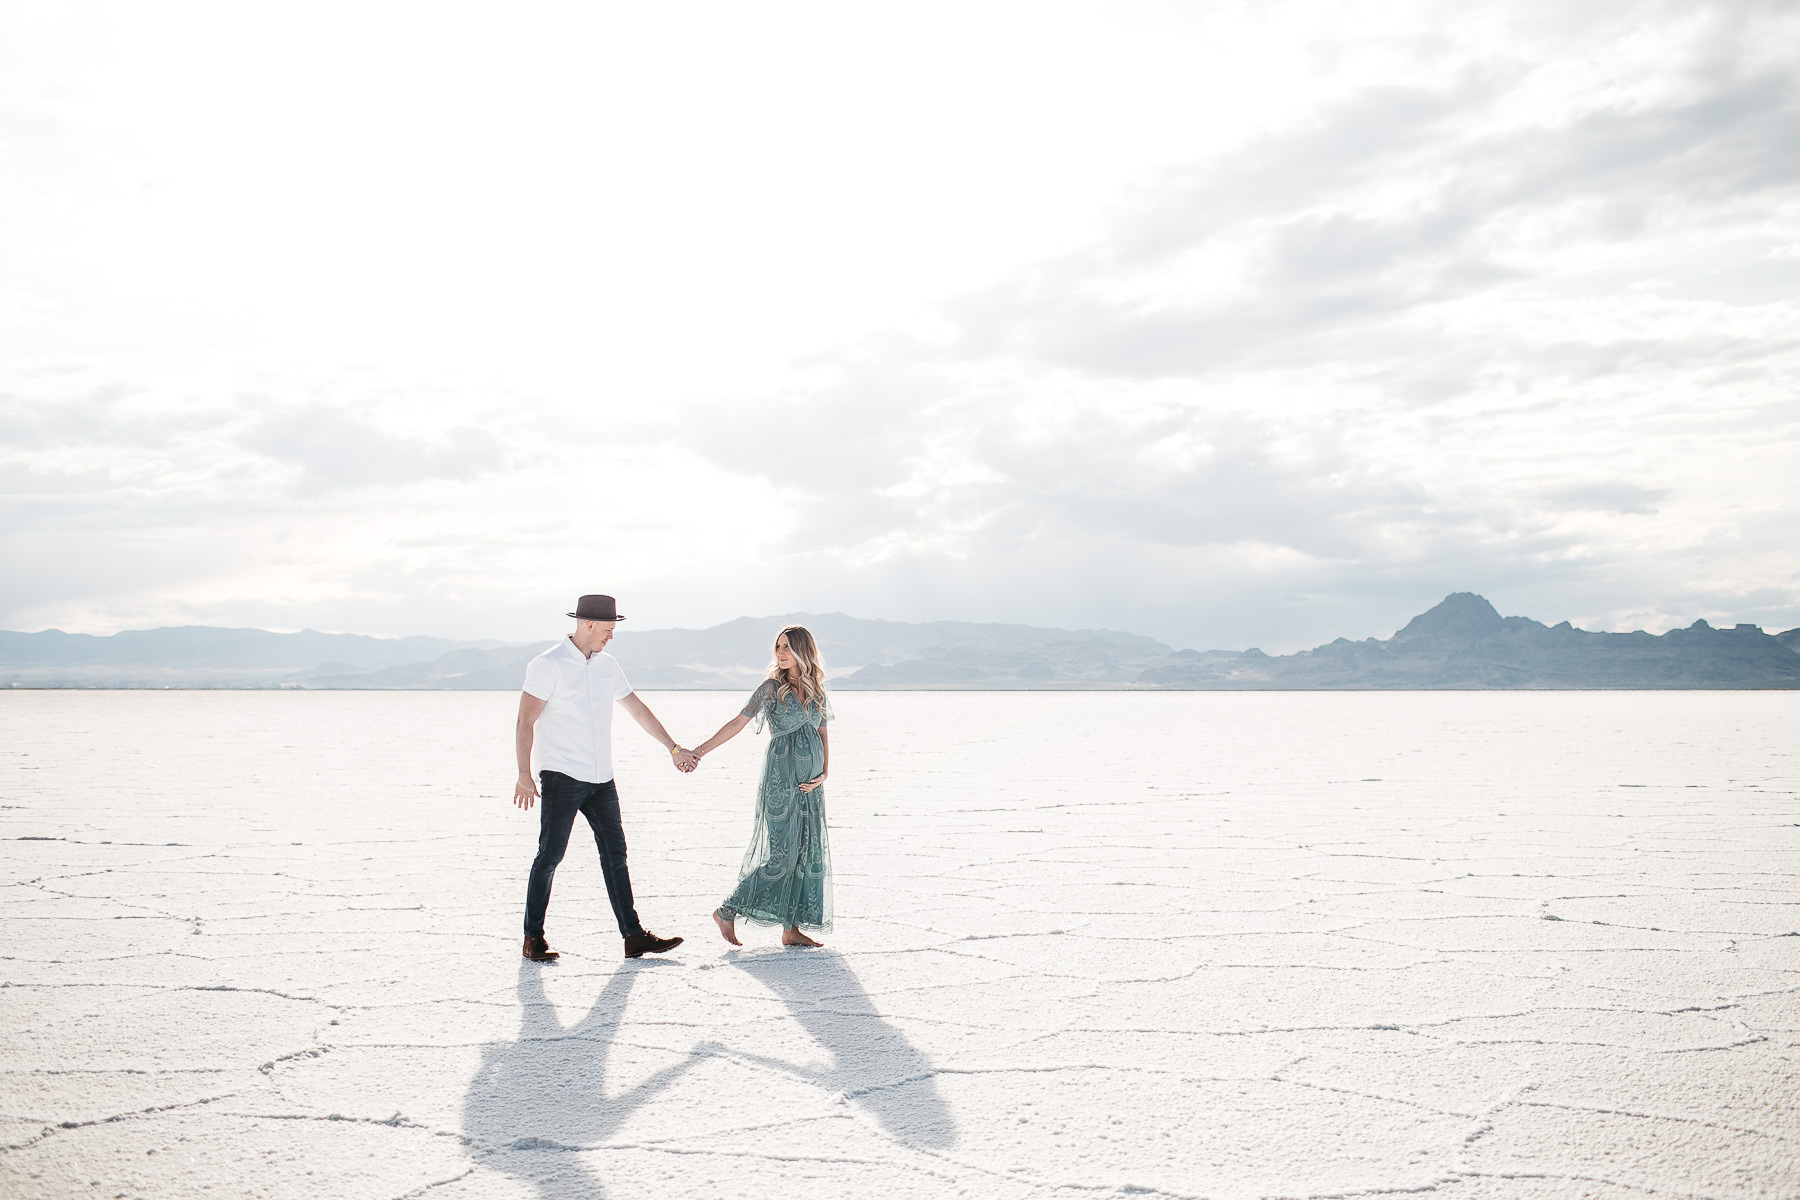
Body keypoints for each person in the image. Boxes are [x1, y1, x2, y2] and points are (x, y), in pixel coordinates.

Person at [513, 594, 696, 961]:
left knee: (616, 854)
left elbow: (637, 709)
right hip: (562, 776)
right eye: (609, 630)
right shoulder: (547, 665)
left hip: (602, 780)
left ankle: (633, 936)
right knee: (550, 855)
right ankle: (532, 938)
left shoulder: (608, 665)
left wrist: (673, 748)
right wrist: (523, 774)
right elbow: (525, 721)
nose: (611, 637)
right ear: (589, 624)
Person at [690, 625, 832, 948]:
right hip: (781, 784)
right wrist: (700, 750)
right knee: (781, 857)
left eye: (787, 647)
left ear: (802, 651)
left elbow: (822, 733)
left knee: (804, 856)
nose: (780, 653)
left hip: (811, 788)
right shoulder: (771, 689)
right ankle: (727, 910)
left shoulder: (817, 691)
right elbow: (737, 723)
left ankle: (791, 929)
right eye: (778, 647)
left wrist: (824, 773)